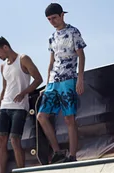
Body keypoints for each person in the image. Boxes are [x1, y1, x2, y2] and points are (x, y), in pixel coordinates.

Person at [0, 36, 43, 173]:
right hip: (5, 106)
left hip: (19, 107)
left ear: (5, 47)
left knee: (15, 139)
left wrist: (24, 92)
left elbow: (38, 79)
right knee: (1, 140)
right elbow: (4, 88)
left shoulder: (23, 59)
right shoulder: (3, 66)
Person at [37, 2, 87, 163]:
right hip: (53, 81)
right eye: (49, 19)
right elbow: (51, 61)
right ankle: (58, 151)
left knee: (69, 118)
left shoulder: (73, 31)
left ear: (62, 15)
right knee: (41, 116)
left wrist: (80, 79)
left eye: (54, 18)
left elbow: (81, 55)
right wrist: (47, 84)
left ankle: (72, 156)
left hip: (68, 79)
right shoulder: (51, 37)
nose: (52, 21)